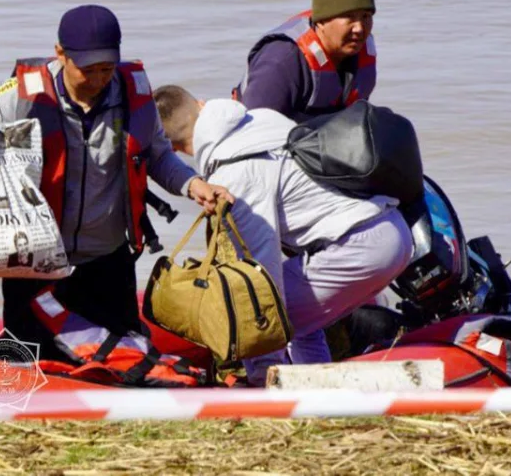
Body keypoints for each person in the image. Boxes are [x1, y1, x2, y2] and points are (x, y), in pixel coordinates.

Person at [0, 5, 232, 361]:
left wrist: (193, 184)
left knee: (125, 364)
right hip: (34, 262)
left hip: (106, 261)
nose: (97, 80)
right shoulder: (19, 96)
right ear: (60, 54)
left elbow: (157, 156)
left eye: (106, 69)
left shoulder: (132, 93)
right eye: (87, 70)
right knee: (28, 360)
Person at [154, 85, 412, 385]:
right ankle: (315, 392)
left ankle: (269, 390)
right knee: (299, 320)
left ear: (170, 148)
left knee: (250, 310)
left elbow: (259, 271)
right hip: (391, 228)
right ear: (201, 103)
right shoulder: (260, 119)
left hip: (358, 247)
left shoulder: (231, 173)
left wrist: (262, 370)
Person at [234, 0, 376, 121]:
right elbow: (254, 129)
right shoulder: (281, 60)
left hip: (327, 136)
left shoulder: (361, 48)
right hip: (271, 137)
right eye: (349, 17)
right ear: (321, 21)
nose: (359, 28)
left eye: (366, 16)